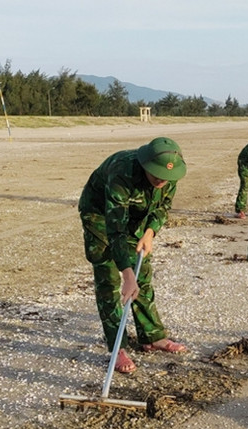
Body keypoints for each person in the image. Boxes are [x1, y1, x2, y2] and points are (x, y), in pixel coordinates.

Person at [78, 137, 189, 374]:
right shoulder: (122, 171)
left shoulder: (169, 176)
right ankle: (117, 346)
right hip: (100, 216)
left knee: (143, 275)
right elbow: (115, 228)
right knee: (109, 278)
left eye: (166, 177)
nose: (161, 180)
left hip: (137, 218)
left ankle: (152, 336)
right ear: (146, 164)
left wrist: (150, 232)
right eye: (156, 174)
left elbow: (162, 207)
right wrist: (126, 274)